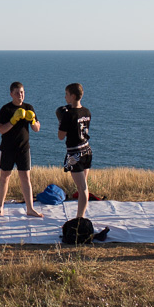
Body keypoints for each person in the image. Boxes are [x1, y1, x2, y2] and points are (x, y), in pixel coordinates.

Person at [0, 81, 43, 218]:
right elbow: (1, 130)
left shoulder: (29, 108)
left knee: (26, 178)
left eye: (22, 92)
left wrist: (32, 120)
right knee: (5, 177)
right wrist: (13, 120)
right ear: (11, 94)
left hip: (23, 149)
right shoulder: (5, 109)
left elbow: (37, 128)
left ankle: (30, 208)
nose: (20, 95)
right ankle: (0, 207)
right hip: (8, 149)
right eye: (17, 93)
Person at [56, 83, 92, 220]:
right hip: (87, 150)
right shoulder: (87, 112)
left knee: (82, 188)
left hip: (75, 153)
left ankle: (80, 218)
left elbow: (61, 136)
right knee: (84, 186)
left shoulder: (68, 115)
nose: (65, 97)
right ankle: (81, 214)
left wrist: (61, 121)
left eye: (66, 94)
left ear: (72, 96)